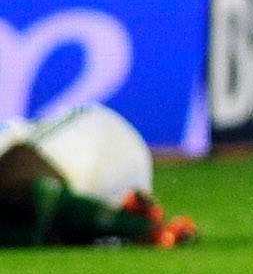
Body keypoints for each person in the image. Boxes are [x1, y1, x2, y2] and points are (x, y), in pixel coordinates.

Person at [0, 105, 195, 249]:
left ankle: (140, 224)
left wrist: (145, 229)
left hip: (98, 142)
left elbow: (41, 192)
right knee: (45, 228)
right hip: (86, 140)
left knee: (34, 198)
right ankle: (138, 223)